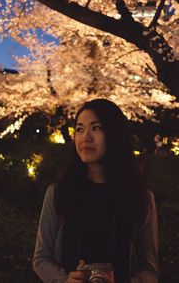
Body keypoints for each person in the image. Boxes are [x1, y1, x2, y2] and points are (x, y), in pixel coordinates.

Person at [32, 99, 159, 283]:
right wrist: (63, 280)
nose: (86, 138)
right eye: (80, 129)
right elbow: (41, 258)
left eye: (96, 128)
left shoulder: (140, 196)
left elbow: (150, 270)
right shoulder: (59, 192)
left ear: (114, 134)